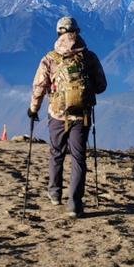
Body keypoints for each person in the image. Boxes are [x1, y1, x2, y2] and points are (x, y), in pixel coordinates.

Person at [28, 16, 107, 218]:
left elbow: (39, 87)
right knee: (79, 158)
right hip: (82, 115)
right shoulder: (89, 57)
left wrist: (33, 109)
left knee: (56, 152)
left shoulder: (50, 58)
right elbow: (101, 86)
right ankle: (74, 204)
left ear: (58, 33)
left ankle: (55, 194)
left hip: (56, 114)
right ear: (77, 32)